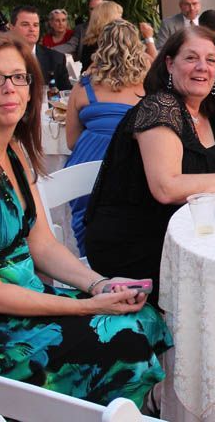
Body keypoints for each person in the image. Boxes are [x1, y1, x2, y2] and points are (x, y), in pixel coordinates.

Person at [0, 31, 171, 408]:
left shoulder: (11, 149)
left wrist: (98, 285)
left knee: (144, 315)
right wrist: (86, 307)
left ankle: (120, 410)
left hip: (18, 302)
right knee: (121, 338)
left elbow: (43, 244)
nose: (9, 89)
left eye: (19, 77)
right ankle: (118, 412)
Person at [85, 26, 215, 297]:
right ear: (170, 64)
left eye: (211, 60)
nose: (202, 67)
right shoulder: (161, 106)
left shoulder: (211, 113)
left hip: (190, 236)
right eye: (191, 58)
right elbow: (166, 188)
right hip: (136, 243)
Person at [64, 20, 149, 256]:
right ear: (137, 47)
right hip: (132, 165)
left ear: (102, 47)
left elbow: (71, 141)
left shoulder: (83, 87)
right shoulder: (148, 87)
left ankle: (90, 270)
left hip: (85, 166)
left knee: (87, 228)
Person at [7, 5, 71, 91]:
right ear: (11, 28)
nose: (32, 29)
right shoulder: (0, 58)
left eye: (36, 25)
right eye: (25, 25)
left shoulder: (56, 59)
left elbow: (67, 95)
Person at [79, 1, 157, 71]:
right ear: (109, 19)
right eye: (119, 17)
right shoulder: (116, 43)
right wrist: (148, 37)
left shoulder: (89, 43)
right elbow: (154, 65)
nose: (123, 20)